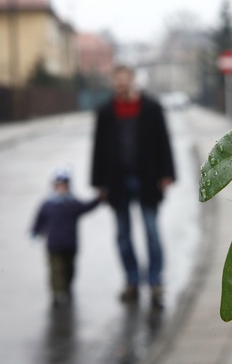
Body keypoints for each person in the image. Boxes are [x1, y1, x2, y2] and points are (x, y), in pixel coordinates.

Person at [91, 65, 175, 308]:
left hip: (147, 179)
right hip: (117, 182)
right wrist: (98, 182)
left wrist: (167, 173)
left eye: (124, 79)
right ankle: (131, 281)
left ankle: (155, 282)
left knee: (151, 232)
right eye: (116, 80)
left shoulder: (151, 108)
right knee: (122, 235)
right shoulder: (106, 112)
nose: (120, 84)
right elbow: (98, 149)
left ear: (132, 80)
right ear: (112, 82)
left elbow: (164, 142)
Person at [32, 168, 103, 306]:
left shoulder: (72, 204)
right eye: (58, 186)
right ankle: (57, 293)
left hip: (70, 245)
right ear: (53, 186)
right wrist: (35, 232)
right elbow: (39, 220)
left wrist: (99, 199)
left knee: (69, 269)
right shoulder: (48, 205)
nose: (61, 188)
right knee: (56, 270)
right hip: (53, 245)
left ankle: (67, 288)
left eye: (64, 185)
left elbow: (87, 207)